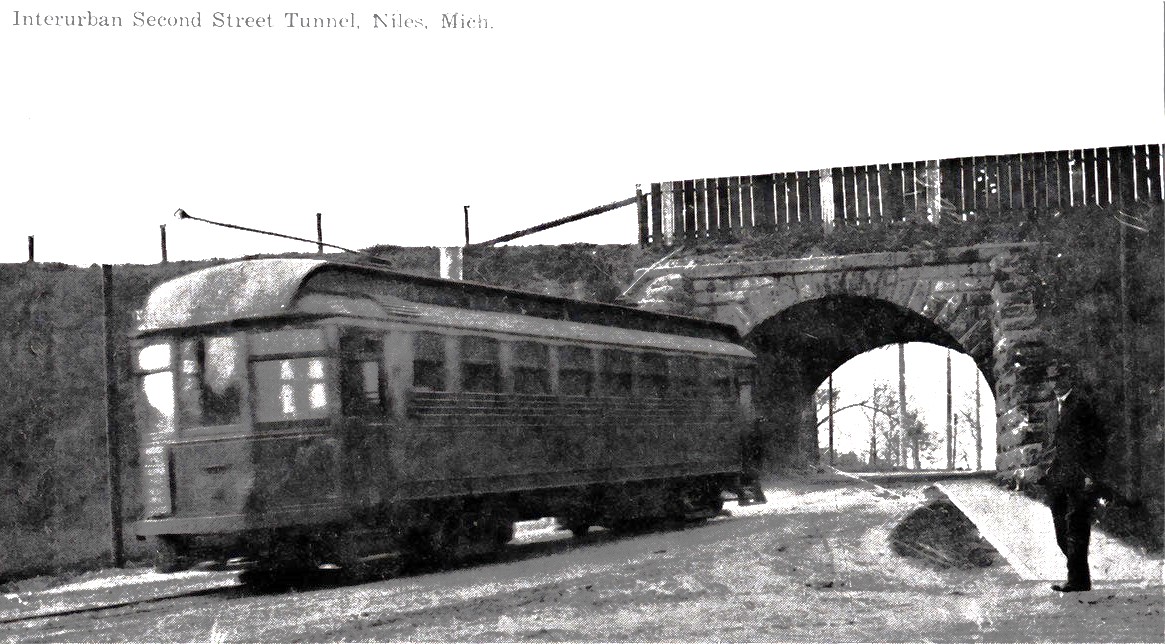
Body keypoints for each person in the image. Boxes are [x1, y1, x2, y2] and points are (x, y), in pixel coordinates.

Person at [1038, 363, 1107, 592]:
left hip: (1080, 477)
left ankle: (1078, 580)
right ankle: (1079, 577)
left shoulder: (1082, 404)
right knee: (1061, 533)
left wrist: (1091, 475)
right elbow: (1049, 443)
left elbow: (1097, 442)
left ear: (1068, 377)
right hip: (1057, 479)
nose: (1055, 383)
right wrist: (1045, 470)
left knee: (1077, 528)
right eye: (1050, 379)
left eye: (1058, 377)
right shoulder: (1050, 409)